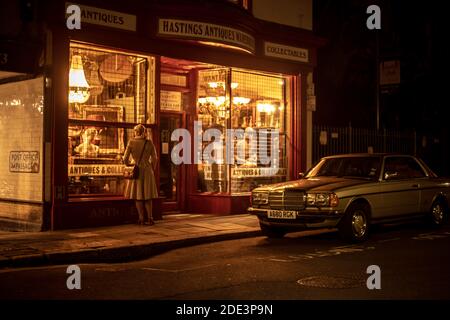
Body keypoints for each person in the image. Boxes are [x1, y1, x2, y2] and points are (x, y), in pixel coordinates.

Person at [123, 124, 158, 225]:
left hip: (136, 170)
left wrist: (128, 165)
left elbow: (125, 159)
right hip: (147, 171)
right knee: (148, 196)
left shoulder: (131, 142)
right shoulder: (149, 142)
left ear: (136, 132)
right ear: (144, 131)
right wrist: (152, 168)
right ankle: (150, 218)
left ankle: (141, 218)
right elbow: (155, 158)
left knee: (138, 196)